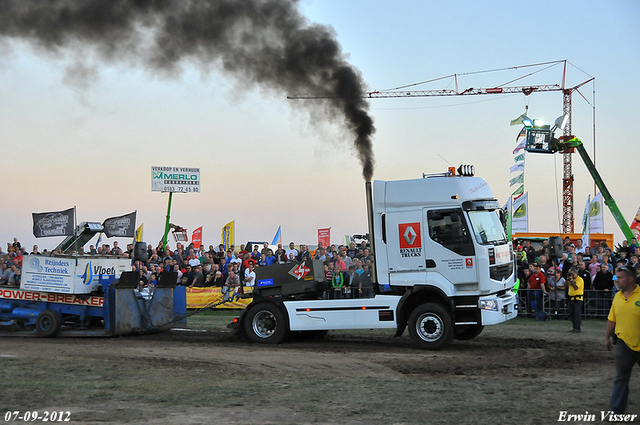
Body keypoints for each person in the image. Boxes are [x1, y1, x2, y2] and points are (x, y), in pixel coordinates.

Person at [605, 265, 640, 414]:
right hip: (623, 343)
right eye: (616, 277)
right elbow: (612, 319)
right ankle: (616, 412)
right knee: (620, 378)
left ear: (631, 279)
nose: (617, 280)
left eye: (620, 277)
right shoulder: (617, 296)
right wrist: (607, 337)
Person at [566, 267, 584, 333]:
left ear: (575, 273)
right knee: (571, 313)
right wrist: (567, 279)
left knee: (577, 313)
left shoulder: (580, 279)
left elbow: (576, 287)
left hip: (578, 299)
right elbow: (565, 286)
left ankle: (577, 328)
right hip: (571, 298)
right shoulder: (570, 279)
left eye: (572, 273)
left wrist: (571, 280)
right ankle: (574, 326)